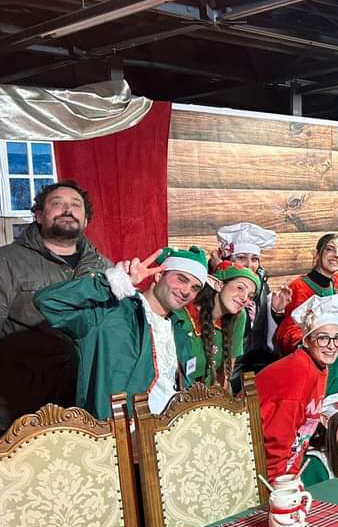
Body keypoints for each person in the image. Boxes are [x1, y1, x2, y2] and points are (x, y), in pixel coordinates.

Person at [35, 246, 207, 419]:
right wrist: (110, 284)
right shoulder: (110, 311)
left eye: (195, 288)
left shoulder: (181, 333)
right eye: (181, 279)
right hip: (116, 429)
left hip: (170, 429)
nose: (186, 291)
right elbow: (48, 302)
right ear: (159, 275)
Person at [0, 181, 110, 428]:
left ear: (86, 220)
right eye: (57, 203)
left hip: (87, 409)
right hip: (21, 411)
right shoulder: (6, 262)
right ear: (39, 215)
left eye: (75, 205)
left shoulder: (105, 269)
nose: (67, 209)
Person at [256, 294, 338, 478]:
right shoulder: (299, 371)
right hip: (258, 467)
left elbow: (300, 436)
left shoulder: (320, 367)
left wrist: (294, 475)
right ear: (307, 340)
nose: (332, 346)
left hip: (285, 466)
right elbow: (277, 438)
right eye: (323, 338)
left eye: (337, 338)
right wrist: (280, 483)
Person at [215, 222, 288, 379]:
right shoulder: (220, 291)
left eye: (254, 259)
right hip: (228, 369)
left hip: (256, 366)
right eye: (241, 258)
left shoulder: (262, 286)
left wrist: (275, 311)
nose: (249, 265)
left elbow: (261, 332)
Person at [177, 262, 260, 387]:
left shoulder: (238, 317)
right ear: (218, 285)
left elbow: (226, 376)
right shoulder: (182, 316)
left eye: (250, 296)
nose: (244, 298)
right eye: (240, 288)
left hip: (209, 395)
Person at [273, 233, 338, 355]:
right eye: (330, 249)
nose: (336, 255)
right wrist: (309, 346)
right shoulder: (299, 287)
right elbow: (290, 328)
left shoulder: (334, 283)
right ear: (317, 254)